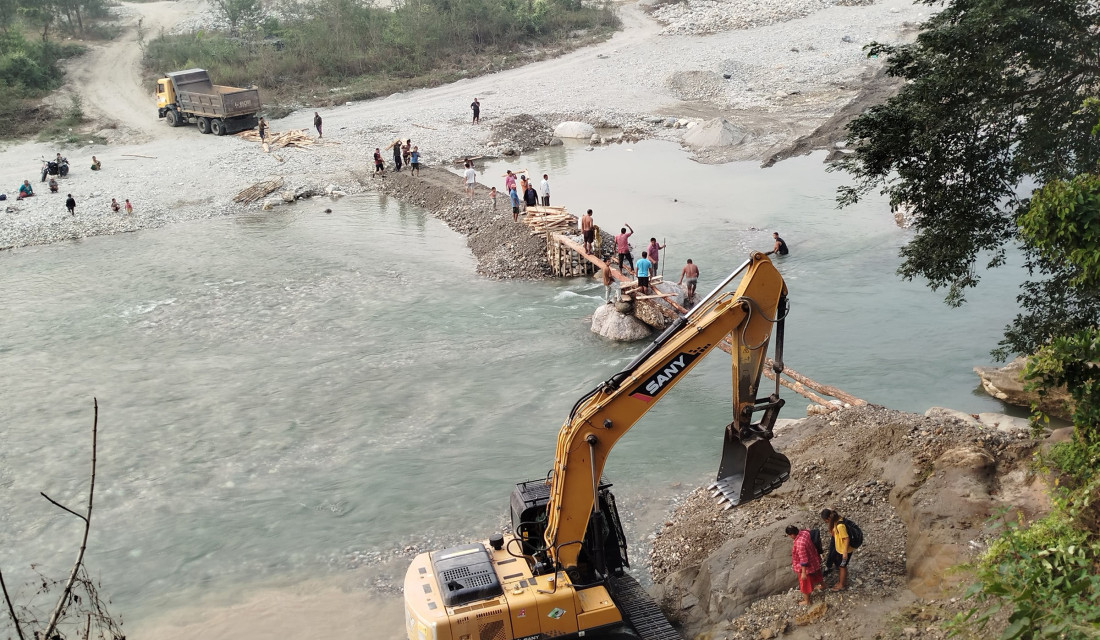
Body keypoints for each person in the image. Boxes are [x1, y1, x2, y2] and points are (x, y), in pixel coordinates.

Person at [786, 525, 824, 606]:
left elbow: (803, 560)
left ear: (792, 535)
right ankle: (823, 585)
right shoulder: (805, 533)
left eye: (789, 535)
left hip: (807, 567)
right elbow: (808, 530)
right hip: (814, 559)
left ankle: (807, 601)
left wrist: (803, 572)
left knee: (804, 584)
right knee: (817, 573)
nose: (789, 537)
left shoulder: (800, 544)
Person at [821, 509, 851, 591]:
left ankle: (842, 584)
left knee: (842, 566)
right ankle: (842, 581)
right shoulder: (837, 520)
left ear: (827, 519)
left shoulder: (839, 526)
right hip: (840, 548)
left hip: (844, 550)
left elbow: (846, 539)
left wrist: (845, 552)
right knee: (842, 566)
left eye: (825, 521)